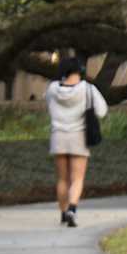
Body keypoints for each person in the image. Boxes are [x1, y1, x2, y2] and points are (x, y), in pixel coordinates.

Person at [45, 57, 108, 227]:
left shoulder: (52, 88)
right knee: (77, 178)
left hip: (58, 136)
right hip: (79, 136)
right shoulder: (88, 89)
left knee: (62, 179)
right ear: (80, 71)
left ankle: (63, 213)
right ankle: (73, 209)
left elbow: (48, 105)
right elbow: (102, 111)